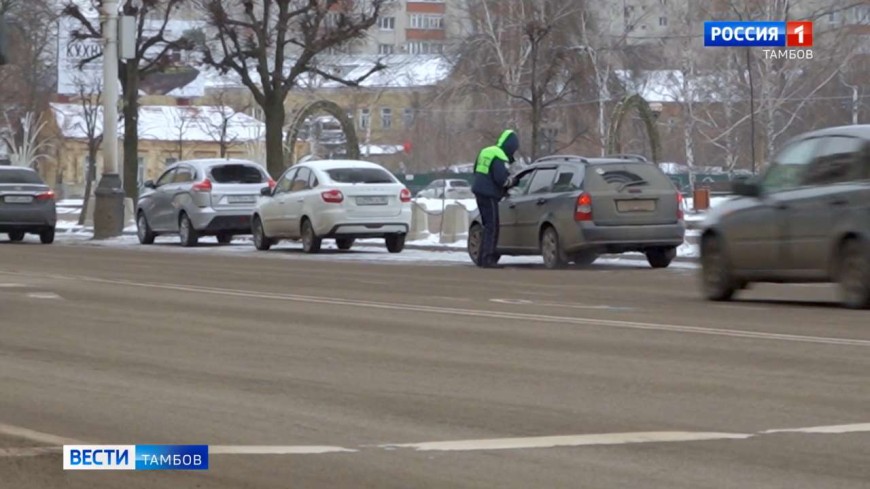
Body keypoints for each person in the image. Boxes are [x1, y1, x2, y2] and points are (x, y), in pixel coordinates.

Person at [471, 129, 520, 268]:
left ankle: (481, 258)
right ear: (510, 146)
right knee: (493, 227)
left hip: (478, 191)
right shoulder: (500, 155)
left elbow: (475, 170)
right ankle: (488, 259)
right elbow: (501, 180)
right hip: (490, 194)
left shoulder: (486, 151)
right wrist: (513, 181)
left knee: (486, 226)